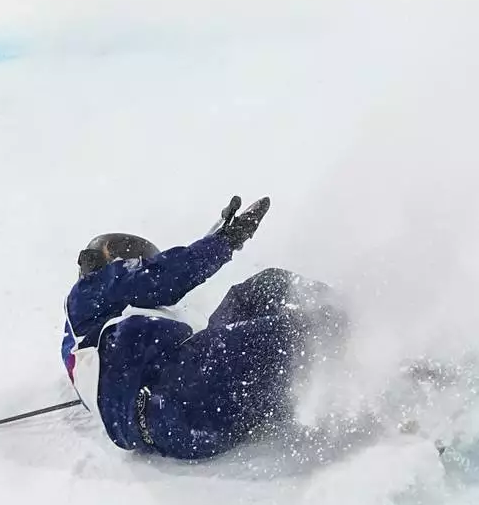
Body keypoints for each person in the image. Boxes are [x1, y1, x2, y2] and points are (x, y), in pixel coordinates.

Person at [61, 196, 348, 460]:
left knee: (261, 288)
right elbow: (162, 278)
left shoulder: (90, 348)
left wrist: (214, 236)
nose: (136, 267)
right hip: (175, 394)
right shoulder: (85, 295)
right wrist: (226, 241)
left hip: (186, 409)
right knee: (300, 331)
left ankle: (311, 377)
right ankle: (366, 333)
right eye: (133, 261)